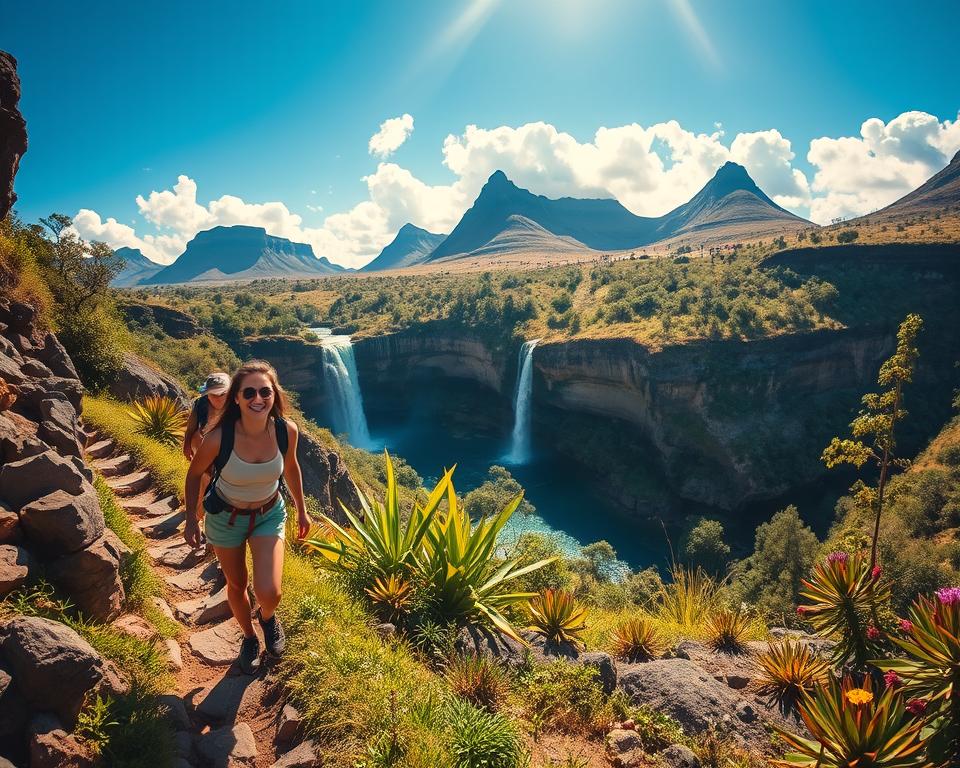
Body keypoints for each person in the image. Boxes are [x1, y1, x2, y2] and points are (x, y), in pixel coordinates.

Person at [184, 360, 310, 674]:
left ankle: (267, 618)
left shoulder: (285, 430)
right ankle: (249, 637)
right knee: (237, 584)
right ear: (236, 398)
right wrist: (190, 517)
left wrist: (302, 509)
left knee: (271, 591)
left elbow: (291, 467)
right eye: (249, 392)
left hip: (269, 513)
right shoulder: (218, 437)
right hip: (226, 518)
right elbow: (194, 473)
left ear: (274, 395)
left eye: (265, 391)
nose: (258, 398)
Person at [183, 372, 230, 461]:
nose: (218, 398)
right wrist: (186, 446)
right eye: (213, 394)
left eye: (222, 394)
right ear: (207, 394)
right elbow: (191, 428)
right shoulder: (201, 403)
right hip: (204, 447)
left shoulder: (238, 405)